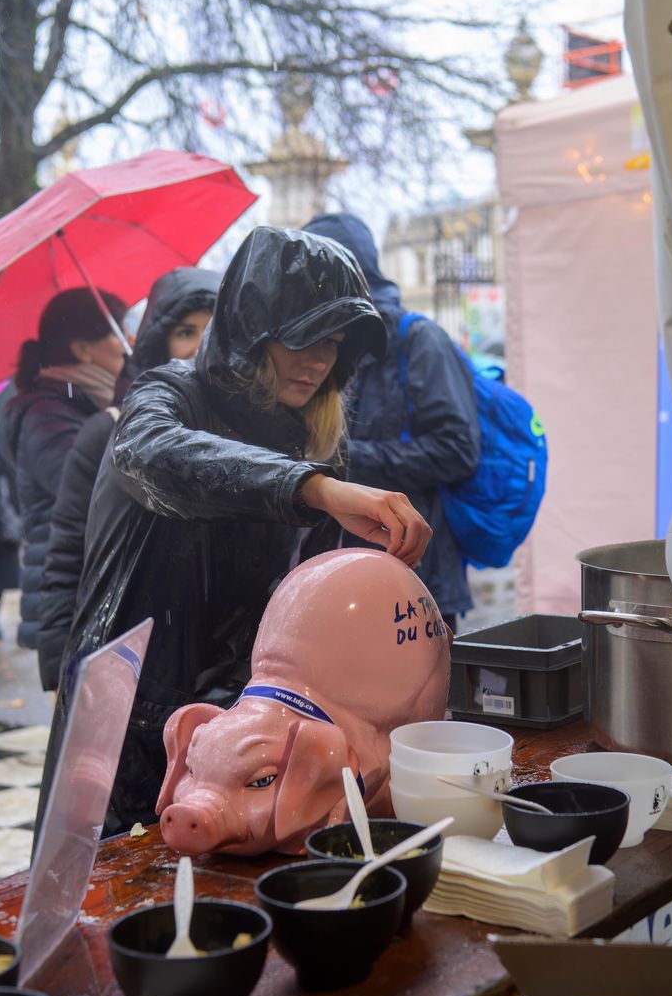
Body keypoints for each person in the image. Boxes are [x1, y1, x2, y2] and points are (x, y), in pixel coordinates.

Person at [36, 226, 431, 841]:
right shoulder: (169, 392)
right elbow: (153, 453)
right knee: (101, 901)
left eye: (334, 343)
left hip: (241, 716)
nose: (319, 360)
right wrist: (315, 487)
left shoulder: (320, 431)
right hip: (125, 711)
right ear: (252, 330)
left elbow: (315, 606)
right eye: (301, 339)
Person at [37, 267, 220, 691]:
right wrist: (60, 672)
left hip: (217, 674)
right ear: (161, 344)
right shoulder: (108, 433)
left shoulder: (254, 442)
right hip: (125, 664)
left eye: (215, 330)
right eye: (186, 331)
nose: (201, 346)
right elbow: (67, 555)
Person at [303, 212, 481, 632]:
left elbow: (459, 449)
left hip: (417, 570)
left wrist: (343, 461)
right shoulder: (314, 343)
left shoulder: (418, 340)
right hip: (339, 570)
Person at [0, 288, 127, 653]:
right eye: (118, 328)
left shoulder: (81, 402)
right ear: (82, 348)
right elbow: (90, 491)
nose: (128, 340)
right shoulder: (48, 414)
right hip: (68, 601)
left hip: (88, 592)